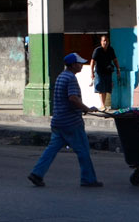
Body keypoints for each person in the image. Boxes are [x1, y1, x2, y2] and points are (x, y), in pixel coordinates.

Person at [28, 53, 102, 188]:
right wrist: (86, 108)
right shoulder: (71, 78)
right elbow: (73, 98)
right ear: (73, 65)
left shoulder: (61, 76)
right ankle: (88, 179)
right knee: (83, 150)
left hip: (58, 121)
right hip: (71, 122)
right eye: (79, 63)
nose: (81, 65)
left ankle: (37, 173)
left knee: (51, 150)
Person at [90, 34, 121, 110]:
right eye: (104, 40)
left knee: (107, 88)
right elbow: (92, 61)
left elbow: (115, 60)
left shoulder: (111, 50)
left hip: (108, 71)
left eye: (106, 40)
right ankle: (102, 105)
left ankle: (104, 105)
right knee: (101, 88)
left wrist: (118, 69)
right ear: (101, 42)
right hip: (99, 72)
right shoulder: (97, 50)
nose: (105, 42)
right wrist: (91, 72)